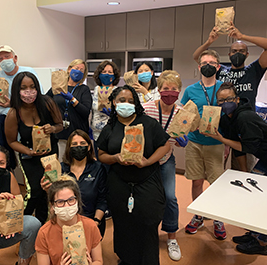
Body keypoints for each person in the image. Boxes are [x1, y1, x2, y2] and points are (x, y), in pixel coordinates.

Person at [204, 82, 267, 255]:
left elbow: (247, 147)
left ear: (236, 99)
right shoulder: (229, 119)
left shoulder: (245, 117)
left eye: (229, 99)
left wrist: (221, 139)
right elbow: (237, 147)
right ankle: (255, 233)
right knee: (257, 195)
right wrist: (244, 173)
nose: (224, 103)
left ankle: (262, 243)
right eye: (220, 101)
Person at [97, 85, 171, 265]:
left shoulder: (148, 123)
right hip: (119, 184)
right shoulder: (110, 127)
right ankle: (126, 258)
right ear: (114, 103)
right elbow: (101, 155)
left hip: (146, 182)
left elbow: (165, 145)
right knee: (123, 224)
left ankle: (148, 260)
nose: (126, 104)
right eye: (122, 101)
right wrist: (115, 158)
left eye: (130, 101)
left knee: (147, 223)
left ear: (136, 103)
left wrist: (148, 161)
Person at [193, 22, 267, 172]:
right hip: (224, 129)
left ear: (247, 54)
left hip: (246, 129)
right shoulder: (221, 71)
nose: (237, 53)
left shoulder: (253, 70)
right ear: (229, 54)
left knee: (245, 173)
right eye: (234, 51)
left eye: (241, 51)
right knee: (219, 174)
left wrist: (242, 36)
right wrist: (210, 41)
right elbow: (196, 57)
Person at [5, 71, 62, 224]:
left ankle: (43, 224)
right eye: (23, 88)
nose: (28, 92)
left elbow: (60, 125)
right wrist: (28, 151)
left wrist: (53, 129)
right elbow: (11, 141)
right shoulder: (13, 113)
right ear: (17, 90)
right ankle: (20, 224)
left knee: (50, 189)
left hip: (50, 153)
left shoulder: (47, 103)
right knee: (34, 191)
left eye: (32, 87)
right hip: (28, 156)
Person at [181, 50, 226, 239]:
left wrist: (228, 143)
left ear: (218, 66)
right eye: (204, 62)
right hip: (195, 142)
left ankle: (217, 219)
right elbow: (183, 113)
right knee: (196, 180)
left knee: (216, 184)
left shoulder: (225, 88)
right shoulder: (191, 90)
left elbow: (230, 116)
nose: (208, 65)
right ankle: (198, 215)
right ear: (199, 67)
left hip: (216, 143)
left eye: (212, 62)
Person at [143, 70, 187, 261]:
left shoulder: (182, 112)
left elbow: (183, 137)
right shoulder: (146, 109)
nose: (170, 93)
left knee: (170, 197)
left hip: (166, 159)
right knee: (147, 198)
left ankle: (171, 237)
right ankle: (146, 235)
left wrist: (183, 139)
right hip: (147, 160)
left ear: (179, 91)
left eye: (174, 89)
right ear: (159, 90)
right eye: (166, 89)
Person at [42, 129, 107, 237]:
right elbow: (54, 199)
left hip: (91, 220)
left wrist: (95, 222)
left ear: (89, 147)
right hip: (65, 220)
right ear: (69, 147)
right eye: (74, 144)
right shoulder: (60, 169)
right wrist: (47, 189)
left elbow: (103, 199)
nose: (78, 146)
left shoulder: (98, 169)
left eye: (82, 143)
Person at [35, 176, 103, 265]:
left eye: (71, 200)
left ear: (77, 200)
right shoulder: (44, 233)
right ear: (52, 206)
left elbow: (98, 261)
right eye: (60, 202)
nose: (67, 206)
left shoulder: (90, 225)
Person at [46, 59, 92, 161]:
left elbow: (85, 112)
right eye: (76, 68)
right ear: (69, 69)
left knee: (77, 162)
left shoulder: (84, 89)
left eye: (82, 70)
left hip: (78, 134)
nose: (78, 71)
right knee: (62, 164)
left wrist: (72, 99)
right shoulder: (58, 87)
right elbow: (45, 102)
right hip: (60, 135)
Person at [0, 45, 43, 115]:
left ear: (15, 58)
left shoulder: (28, 72)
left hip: (33, 114)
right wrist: (17, 113)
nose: (4, 60)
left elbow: (39, 96)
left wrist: (12, 104)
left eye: (7, 56)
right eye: (0, 58)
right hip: (10, 116)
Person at [91, 60, 121, 153]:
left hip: (113, 134)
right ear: (99, 75)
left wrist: (113, 113)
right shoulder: (96, 90)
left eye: (110, 72)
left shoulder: (119, 92)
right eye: (104, 72)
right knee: (100, 164)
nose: (107, 74)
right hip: (97, 135)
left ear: (114, 75)